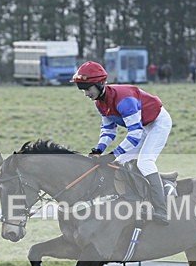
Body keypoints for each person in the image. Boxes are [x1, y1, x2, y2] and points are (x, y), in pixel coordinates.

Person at [71, 60, 172, 224]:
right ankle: (137, 201)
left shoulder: (124, 100)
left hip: (158, 123)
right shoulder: (100, 103)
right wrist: (99, 149)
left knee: (145, 162)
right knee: (120, 163)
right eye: (82, 90)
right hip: (143, 126)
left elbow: (135, 133)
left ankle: (161, 209)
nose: (86, 94)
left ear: (100, 84)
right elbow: (109, 130)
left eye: (87, 89)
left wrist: (112, 154)